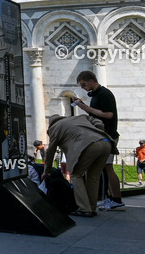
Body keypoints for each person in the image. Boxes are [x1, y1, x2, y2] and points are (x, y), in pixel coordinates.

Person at [44, 114, 114, 217]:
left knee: (76, 175)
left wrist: (47, 170)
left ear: (50, 125)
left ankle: (84, 208)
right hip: (106, 143)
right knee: (94, 177)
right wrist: (97, 131)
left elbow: (51, 151)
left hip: (88, 145)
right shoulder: (80, 117)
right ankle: (92, 208)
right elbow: (98, 122)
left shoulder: (55, 128)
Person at [72, 71, 123, 210]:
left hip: (108, 135)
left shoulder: (104, 94)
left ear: (91, 80)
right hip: (102, 135)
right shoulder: (97, 95)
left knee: (108, 167)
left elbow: (108, 114)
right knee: (105, 168)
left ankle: (116, 200)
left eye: (83, 84)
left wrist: (85, 107)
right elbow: (96, 113)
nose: (83, 87)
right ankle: (111, 198)